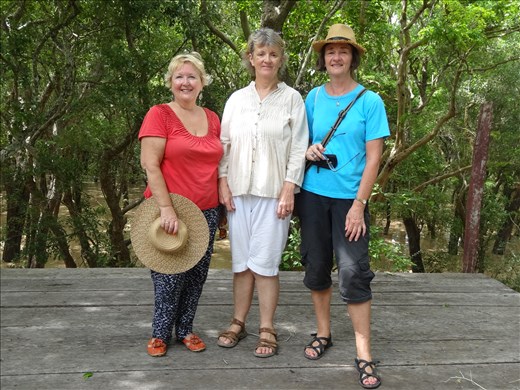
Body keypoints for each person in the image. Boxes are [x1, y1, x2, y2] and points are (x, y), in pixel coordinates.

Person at [296, 24, 389, 389]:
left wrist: (358, 204)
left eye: (343, 51)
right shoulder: (313, 99)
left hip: (350, 199)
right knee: (316, 265)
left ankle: (364, 353)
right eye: (331, 51)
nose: (336, 57)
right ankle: (323, 333)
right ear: (324, 58)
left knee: (353, 272)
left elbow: (373, 158)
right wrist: (307, 150)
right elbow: (298, 144)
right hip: (313, 196)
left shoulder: (370, 101)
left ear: (353, 58)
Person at [216, 28, 308, 358]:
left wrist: (289, 188)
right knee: (241, 264)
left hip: (274, 194)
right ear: (250, 58)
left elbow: (299, 148)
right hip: (238, 191)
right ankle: (238, 321)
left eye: (273, 54)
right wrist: (222, 181)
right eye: (261, 53)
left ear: (280, 59)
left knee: (266, 265)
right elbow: (223, 145)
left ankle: (267, 327)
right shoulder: (236, 100)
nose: (266, 59)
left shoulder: (292, 99)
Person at [139, 52, 223, 357]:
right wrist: (165, 209)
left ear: (202, 82)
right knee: (169, 273)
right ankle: (160, 333)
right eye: (179, 76)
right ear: (171, 82)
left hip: (208, 209)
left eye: (192, 76)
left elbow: (218, 164)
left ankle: (185, 328)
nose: (185, 82)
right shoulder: (159, 114)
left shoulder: (213, 118)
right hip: (170, 207)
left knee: (197, 274)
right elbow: (150, 164)